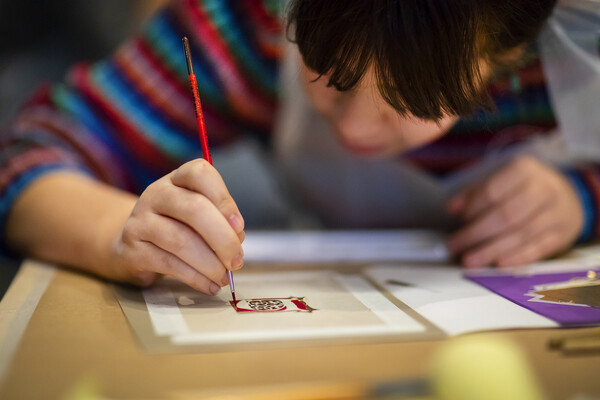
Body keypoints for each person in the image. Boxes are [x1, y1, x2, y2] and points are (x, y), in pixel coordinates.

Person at [0, 0, 595, 295]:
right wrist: (123, 232)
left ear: (511, 53)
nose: (355, 130)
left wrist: (584, 195)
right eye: (329, 75)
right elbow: (31, 154)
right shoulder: (253, 26)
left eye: (411, 103)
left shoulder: (568, 54)